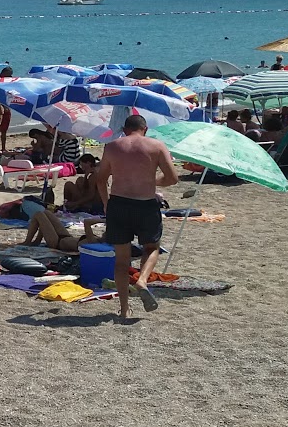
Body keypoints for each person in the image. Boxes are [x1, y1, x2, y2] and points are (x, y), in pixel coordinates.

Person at [95, 114, 179, 318]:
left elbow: (100, 179)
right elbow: (172, 178)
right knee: (152, 248)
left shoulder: (112, 146)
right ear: (146, 129)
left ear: (124, 129)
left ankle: (124, 309)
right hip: (145, 204)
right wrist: (152, 180)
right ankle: (142, 280)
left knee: (121, 260)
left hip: (119, 203)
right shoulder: (156, 146)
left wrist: (107, 204)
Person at [22, 208, 102, 253]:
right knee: (46, 212)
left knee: (39, 214)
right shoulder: (98, 240)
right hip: (65, 236)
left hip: (56, 243)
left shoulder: (93, 241)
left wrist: (105, 220)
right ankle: (37, 241)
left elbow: (87, 223)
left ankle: (27, 242)